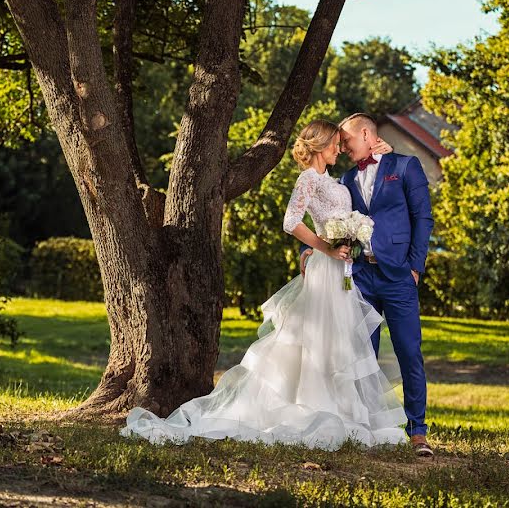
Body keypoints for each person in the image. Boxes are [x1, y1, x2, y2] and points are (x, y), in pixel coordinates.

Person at [120, 120, 408, 450]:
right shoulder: (308, 180)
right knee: (316, 336)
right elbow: (291, 222)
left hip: (341, 271)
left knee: (337, 337)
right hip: (325, 267)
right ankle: (312, 404)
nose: (339, 148)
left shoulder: (336, 182)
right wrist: (325, 247)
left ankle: (342, 407)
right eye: (333, 143)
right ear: (319, 145)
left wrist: (349, 240)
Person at [300, 113, 434, 456]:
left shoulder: (406, 166)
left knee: (409, 352)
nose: (342, 147)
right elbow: (328, 213)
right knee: (361, 354)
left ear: (364, 134)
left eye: (346, 141)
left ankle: (417, 431)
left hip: (399, 277)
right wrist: (308, 250)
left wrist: (415, 267)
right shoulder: (345, 177)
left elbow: (423, 218)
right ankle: (364, 428)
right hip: (360, 278)